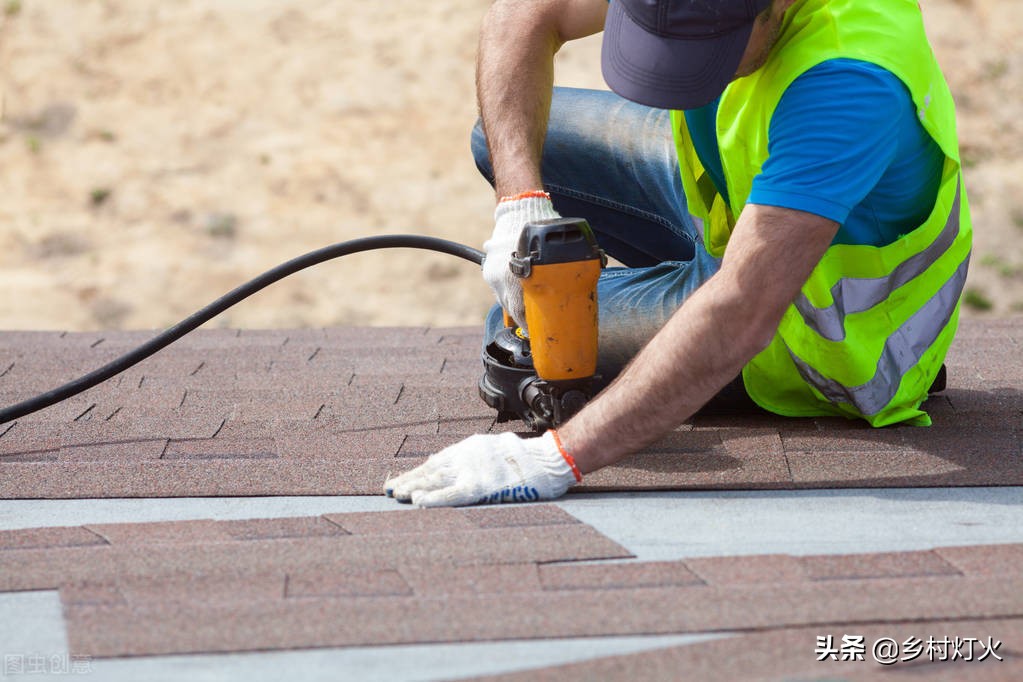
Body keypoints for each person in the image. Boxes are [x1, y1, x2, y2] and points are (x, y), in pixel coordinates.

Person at [385, 0, 972, 507]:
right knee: (503, 136)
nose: (678, 77)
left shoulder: (849, 79)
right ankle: (672, 295)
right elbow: (525, 12)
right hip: (739, 205)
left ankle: (678, 313)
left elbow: (742, 308)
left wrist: (555, 460)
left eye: (704, 55)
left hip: (813, 332)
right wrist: (521, 202)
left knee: (516, 337)